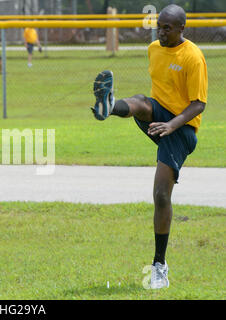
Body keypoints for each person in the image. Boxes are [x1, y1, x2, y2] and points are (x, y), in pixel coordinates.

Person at [91, 4, 207, 289]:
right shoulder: (154, 48)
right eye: (159, 26)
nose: (161, 32)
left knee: (160, 195)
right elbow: (156, 98)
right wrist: (161, 120)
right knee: (142, 101)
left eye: (168, 27)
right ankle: (110, 105)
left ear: (182, 28)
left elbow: (199, 103)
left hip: (181, 130)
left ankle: (159, 266)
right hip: (157, 115)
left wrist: (172, 125)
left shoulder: (193, 57)